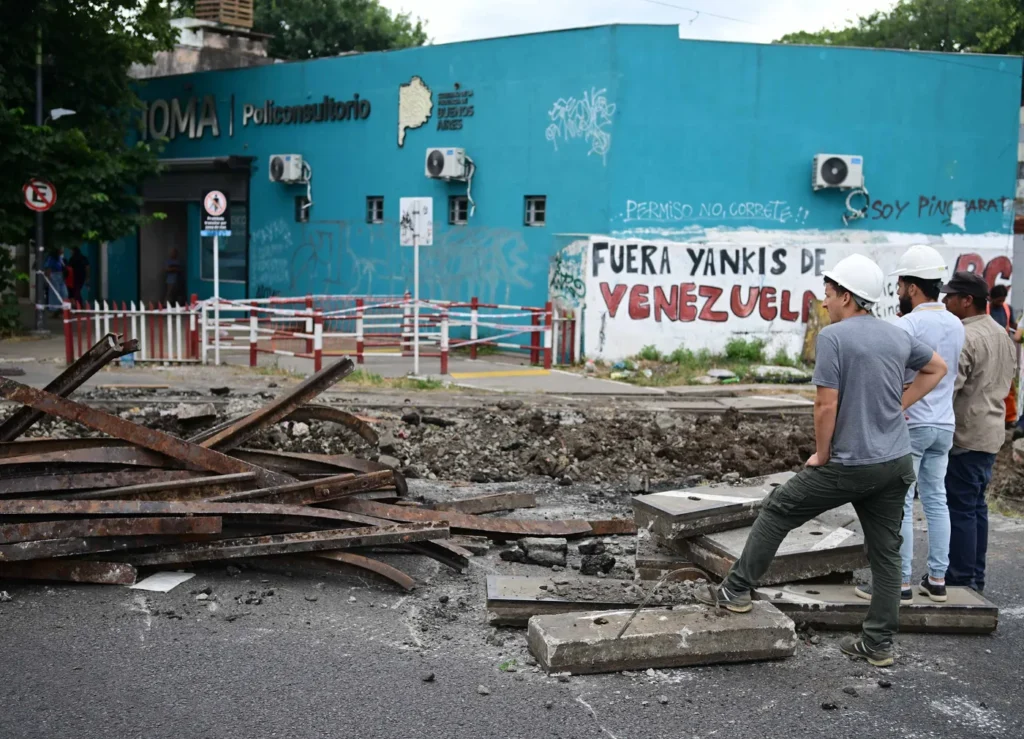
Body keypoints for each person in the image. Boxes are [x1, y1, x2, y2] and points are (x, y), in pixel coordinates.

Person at [695, 254, 947, 668]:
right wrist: (898, 404)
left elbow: (825, 404)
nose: (825, 301)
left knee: (778, 509)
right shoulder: (896, 334)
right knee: (886, 554)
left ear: (847, 296)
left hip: (849, 462)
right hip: (896, 461)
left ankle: (735, 592)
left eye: (828, 294)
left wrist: (823, 453)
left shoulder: (834, 338)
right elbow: (936, 368)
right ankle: (878, 644)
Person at [852, 246, 962, 605]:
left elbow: (894, 374)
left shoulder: (909, 324)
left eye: (900, 283)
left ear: (913, 287)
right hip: (945, 423)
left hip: (913, 422)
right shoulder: (956, 323)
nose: (898, 290)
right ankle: (937, 579)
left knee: (899, 503)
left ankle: (899, 582)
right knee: (936, 500)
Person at [940, 271, 1016, 594]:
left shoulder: (965, 337)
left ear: (967, 301)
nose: (944, 301)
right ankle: (976, 578)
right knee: (976, 506)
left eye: (950, 296)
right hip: (991, 434)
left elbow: (950, 389)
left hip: (966, 436)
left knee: (960, 508)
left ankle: (960, 579)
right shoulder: (1002, 333)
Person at [987, 285, 1018, 428]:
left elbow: (1013, 325)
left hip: (1004, 350)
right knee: (988, 383)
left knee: (1008, 384)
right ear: (991, 298)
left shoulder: (1007, 309)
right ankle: (989, 415)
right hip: (989, 350)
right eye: (998, 301)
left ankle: (1010, 417)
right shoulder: (986, 309)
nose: (1001, 303)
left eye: (1003, 300)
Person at [42, 248, 67, 314]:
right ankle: (55, 309)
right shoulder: (51, 258)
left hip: (60, 275)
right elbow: (48, 268)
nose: (63, 250)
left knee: (64, 293)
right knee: (55, 292)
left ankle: (61, 308)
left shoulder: (60, 258)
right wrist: (48, 278)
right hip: (54, 275)